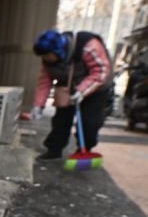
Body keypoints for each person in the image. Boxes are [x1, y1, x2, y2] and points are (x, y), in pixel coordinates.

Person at [30, 29, 113, 160]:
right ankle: (54, 149)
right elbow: (44, 82)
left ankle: (84, 149)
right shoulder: (48, 60)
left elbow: (101, 71)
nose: (44, 59)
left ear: (57, 50)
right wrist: (38, 105)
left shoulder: (89, 47)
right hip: (68, 87)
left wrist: (82, 91)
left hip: (96, 88)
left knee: (89, 122)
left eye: (47, 55)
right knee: (61, 119)